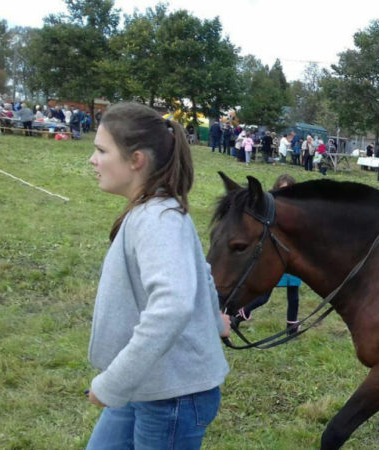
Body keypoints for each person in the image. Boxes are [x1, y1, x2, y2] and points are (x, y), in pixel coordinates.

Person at [85, 102, 230, 448]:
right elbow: (202, 272)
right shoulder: (152, 211)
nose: (93, 160)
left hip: (172, 396)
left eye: (101, 150)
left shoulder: (158, 219)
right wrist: (214, 319)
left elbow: (173, 305)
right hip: (145, 381)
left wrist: (112, 383)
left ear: (136, 160)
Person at [234, 174, 303, 333]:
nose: (286, 193)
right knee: (264, 295)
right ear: (277, 189)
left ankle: (291, 326)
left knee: (293, 294)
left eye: (289, 189)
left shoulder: (296, 208)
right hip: (277, 256)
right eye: (282, 189)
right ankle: (240, 314)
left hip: (291, 255)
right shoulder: (272, 208)